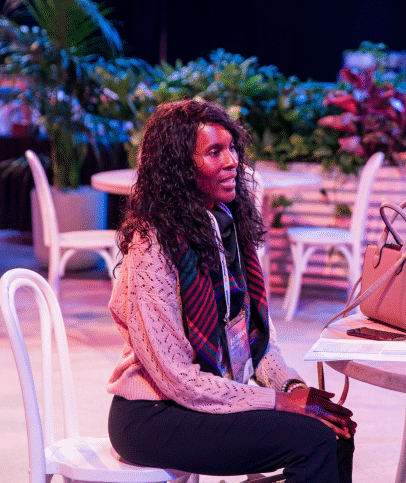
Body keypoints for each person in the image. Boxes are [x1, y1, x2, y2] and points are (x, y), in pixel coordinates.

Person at [106, 99, 356, 482]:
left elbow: (256, 340)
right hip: (153, 415)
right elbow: (178, 379)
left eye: (232, 147)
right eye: (214, 152)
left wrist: (292, 386)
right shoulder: (152, 245)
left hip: (208, 396)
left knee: (335, 431)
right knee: (313, 441)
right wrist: (279, 403)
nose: (232, 161)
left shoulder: (227, 226)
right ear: (179, 167)